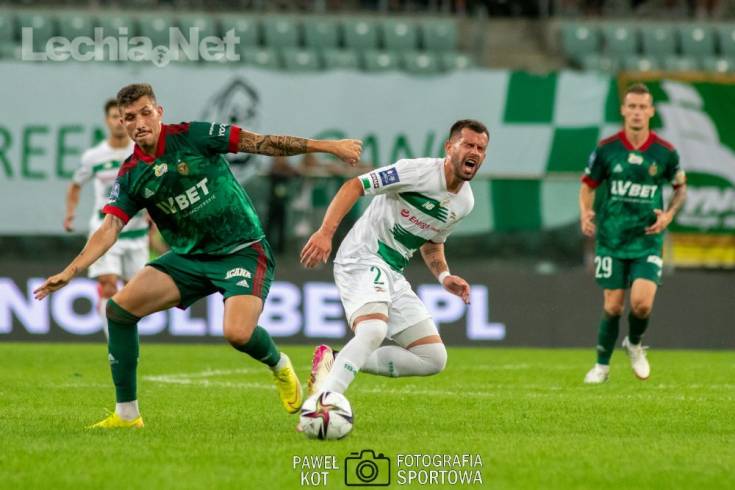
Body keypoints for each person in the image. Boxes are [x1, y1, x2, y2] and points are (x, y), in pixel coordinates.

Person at [34, 83, 362, 428]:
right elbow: (110, 227)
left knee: (237, 334)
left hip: (241, 250)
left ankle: (279, 364)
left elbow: (261, 143)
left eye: (146, 113)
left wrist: (328, 146)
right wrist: (72, 270)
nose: (139, 123)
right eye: (130, 117)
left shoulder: (193, 136)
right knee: (118, 311)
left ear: (159, 112)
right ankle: (127, 415)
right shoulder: (132, 174)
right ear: (122, 122)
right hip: (190, 259)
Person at [299, 119, 489, 403]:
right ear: (449, 147)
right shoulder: (416, 171)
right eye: (468, 145)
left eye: (481, 148)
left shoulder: (464, 203)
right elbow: (355, 185)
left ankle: (335, 361)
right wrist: (326, 232)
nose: (475, 152)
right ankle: (325, 402)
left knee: (432, 357)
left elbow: (433, 242)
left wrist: (444, 276)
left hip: (393, 273)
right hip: (362, 256)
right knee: (373, 330)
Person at [580, 83, 687, 384]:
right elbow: (588, 184)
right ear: (624, 110)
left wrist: (668, 215)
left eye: (643, 107)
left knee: (642, 304)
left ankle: (635, 343)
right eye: (632, 106)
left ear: (651, 111)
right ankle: (601, 366)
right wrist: (585, 212)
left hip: (647, 238)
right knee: (613, 306)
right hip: (611, 238)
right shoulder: (607, 149)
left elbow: (680, 188)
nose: (637, 112)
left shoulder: (665, 152)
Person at [64, 99, 143, 339]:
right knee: (108, 284)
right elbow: (76, 185)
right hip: (105, 228)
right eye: (113, 117)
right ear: (106, 121)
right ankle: (114, 341)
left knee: (135, 294)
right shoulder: (94, 156)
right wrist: (70, 213)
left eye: (122, 117)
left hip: (137, 232)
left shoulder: (141, 150)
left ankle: (125, 334)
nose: (118, 122)